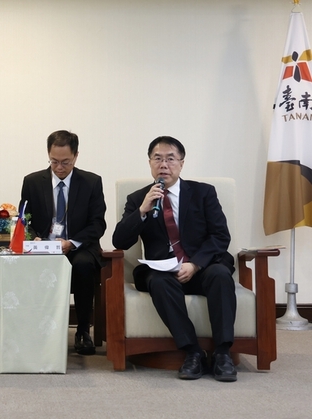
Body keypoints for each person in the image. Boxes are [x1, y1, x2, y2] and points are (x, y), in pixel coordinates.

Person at [112, 136, 237, 382]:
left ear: (181, 163)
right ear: (150, 163)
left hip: (202, 267)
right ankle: (192, 352)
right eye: (157, 159)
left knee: (221, 274)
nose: (164, 165)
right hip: (163, 270)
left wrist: (195, 264)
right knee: (158, 282)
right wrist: (142, 211)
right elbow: (120, 241)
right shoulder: (138, 199)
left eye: (170, 159)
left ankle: (223, 353)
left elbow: (220, 235)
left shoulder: (203, 193)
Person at [20, 130, 106, 355]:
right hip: (43, 246)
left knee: (83, 265)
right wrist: (34, 237)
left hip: (78, 246)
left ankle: (83, 330)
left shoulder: (91, 182)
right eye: (54, 161)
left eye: (65, 162)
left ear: (76, 156)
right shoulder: (32, 182)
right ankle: (34, 328)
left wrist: (71, 242)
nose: (59, 167)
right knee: (24, 265)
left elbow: (98, 224)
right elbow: (24, 219)